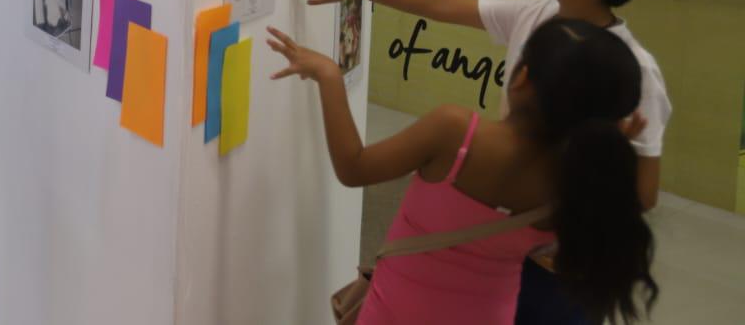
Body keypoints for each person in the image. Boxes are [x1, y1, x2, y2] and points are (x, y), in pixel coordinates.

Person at [293, 0, 674, 323]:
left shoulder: (634, 72)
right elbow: (440, 4)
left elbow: (641, 194)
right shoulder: (540, 14)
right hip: (508, 246)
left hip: (553, 270)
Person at [268, 18, 658, 324]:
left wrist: (329, 75)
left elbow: (353, 167)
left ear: (520, 77)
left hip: (397, 312)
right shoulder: (580, 180)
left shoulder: (457, 133)